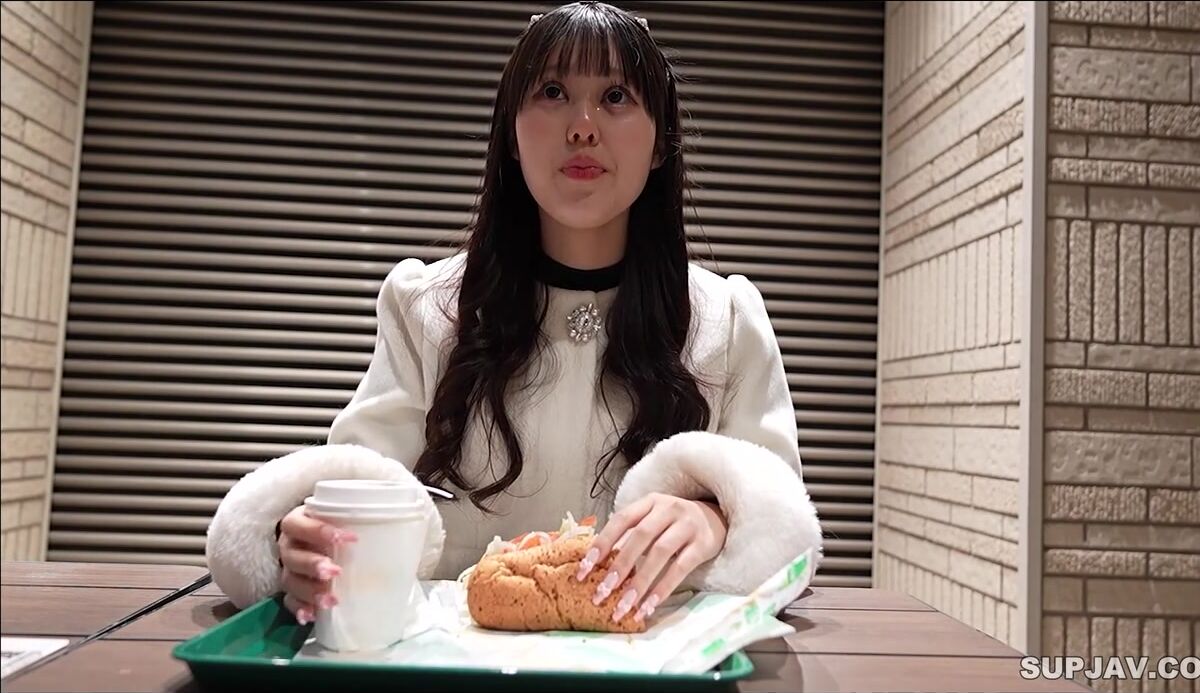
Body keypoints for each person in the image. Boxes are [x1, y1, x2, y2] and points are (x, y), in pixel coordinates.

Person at [206, 1, 822, 629]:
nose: (582, 127)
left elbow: (785, 548)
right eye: (552, 92)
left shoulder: (726, 320)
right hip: (449, 663)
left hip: (655, 662)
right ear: (510, 131)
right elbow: (353, 494)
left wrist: (717, 517)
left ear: (662, 140)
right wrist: (299, 542)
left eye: (615, 97)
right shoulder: (426, 307)